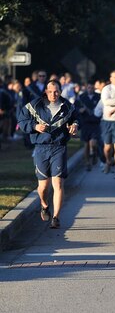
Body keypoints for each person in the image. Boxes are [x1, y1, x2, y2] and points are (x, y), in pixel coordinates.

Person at [18, 80, 79, 229]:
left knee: (57, 183)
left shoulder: (68, 107)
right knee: (43, 186)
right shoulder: (35, 105)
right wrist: (34, 126)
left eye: (56, 91)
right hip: (41, 147)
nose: (54, 94)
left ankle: (56, 217)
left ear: (61, 91)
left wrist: (75, 126)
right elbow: (21, 120)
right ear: (45, 91)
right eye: (50, 91)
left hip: (59, 147)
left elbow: (76, 119)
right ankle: (44, 205)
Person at [74, 81, 101, 170]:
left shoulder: (98, 97)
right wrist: (80, 110)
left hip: (95, 123)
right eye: (88, 87)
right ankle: (87, 162)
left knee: (94, 142)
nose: (90, 89)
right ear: (86, 88)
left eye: (92, 87)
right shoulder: (81, 97)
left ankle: (94, 154)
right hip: (85, 123)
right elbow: (75, 108)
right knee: (86, 144)